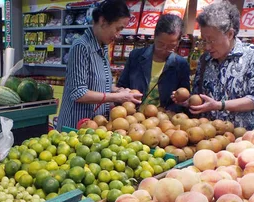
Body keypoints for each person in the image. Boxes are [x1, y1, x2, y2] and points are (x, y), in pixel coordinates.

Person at [172, 0, 254, 129]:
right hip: (209, 136)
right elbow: (199, 96)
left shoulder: (252, 54)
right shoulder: (205, 59)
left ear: (230, 34)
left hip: (242, 137)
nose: (208, 46)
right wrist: (188, 101)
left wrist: (219, 105)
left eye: (212, 40)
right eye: (204, 40)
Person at [57, 0, 141, 130]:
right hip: (76, 127)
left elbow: (97, 82)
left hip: (95, 125)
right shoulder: (81, 47)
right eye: (118, 29)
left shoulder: (103, 46)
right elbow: (78, 92)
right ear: (103, 21)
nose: (118, 35)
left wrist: (117, 90)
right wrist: (117, 97)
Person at [117, 14, 190, 112]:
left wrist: (176, 104)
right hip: (133, 117)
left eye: (171, 46)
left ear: (178, 42)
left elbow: (184, 98)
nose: (164, 50)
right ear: (154, 36)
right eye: (160, 44)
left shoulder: (181, 65)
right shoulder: (136, 56)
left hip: (164, 122)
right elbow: (122, 86)